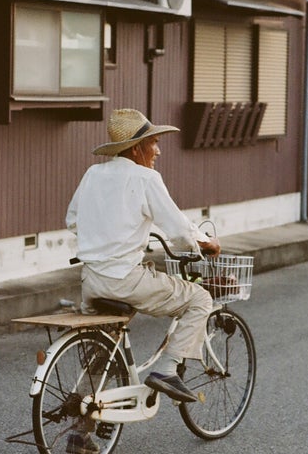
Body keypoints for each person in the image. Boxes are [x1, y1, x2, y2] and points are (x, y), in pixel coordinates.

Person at [66, 108, 221, 419]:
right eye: (154, 143)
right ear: (136, 148)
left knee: (102, 350)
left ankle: (81, 435)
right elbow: (177, 228)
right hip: (125, 279)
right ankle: (167, 369)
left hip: (91, 280)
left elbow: (73, 221)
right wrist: (204, 243)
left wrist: (110, 238)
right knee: (200, 299)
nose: (158, 150)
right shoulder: (146, 178)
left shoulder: (93, 174)